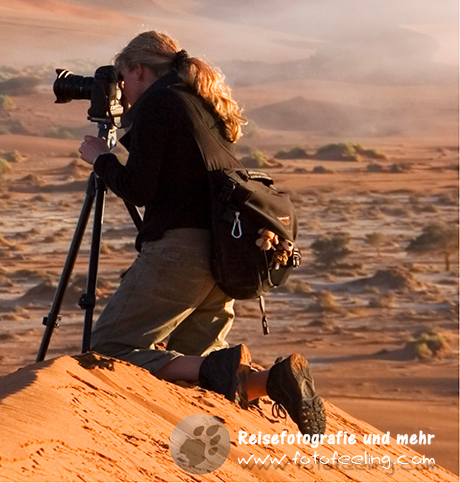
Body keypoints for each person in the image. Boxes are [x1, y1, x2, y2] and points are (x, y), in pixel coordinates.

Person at [77, 30, 325, 435]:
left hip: (182, 253)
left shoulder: (160, 103)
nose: (123, 91)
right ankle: (274, 379)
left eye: (124, 79)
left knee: (109, 349)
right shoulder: (200, 101)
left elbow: (139, 190)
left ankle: (228, 369)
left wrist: (103, 159)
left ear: (139, 70)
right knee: (195, 362)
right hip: (223, 257)